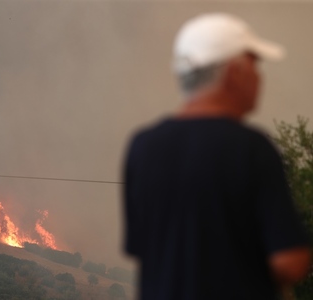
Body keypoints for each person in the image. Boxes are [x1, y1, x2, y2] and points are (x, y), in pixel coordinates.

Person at [123, 13, 311, 300]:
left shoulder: (142, 147)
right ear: (235, 72)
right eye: (254, 65)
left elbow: (142, 249)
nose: (259, 77)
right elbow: (291, 262)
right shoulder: (251, 149)